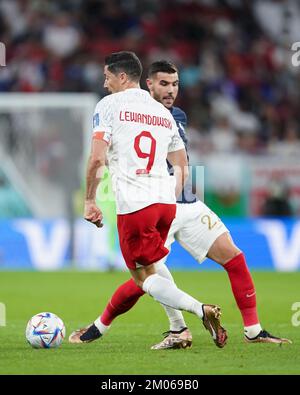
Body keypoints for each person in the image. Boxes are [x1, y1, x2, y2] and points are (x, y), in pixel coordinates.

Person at [69, 58, 291, 349]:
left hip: (171, 201)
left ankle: (252, 330)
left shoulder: (174, 116)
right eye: (163, 83)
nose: (171, 90)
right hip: (163, 202)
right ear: (147, 84)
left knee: (228, 258)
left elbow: (175, 164)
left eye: (175, 84)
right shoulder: (147, 112)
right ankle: (170, 329)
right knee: (146, 275)